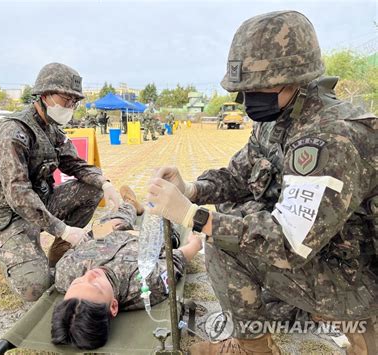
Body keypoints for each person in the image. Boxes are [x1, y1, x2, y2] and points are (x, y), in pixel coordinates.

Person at [147, 11, 377, 354]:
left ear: (297, 78)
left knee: (224, 241)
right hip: (327, 252)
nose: (250, 97)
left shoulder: (329, 137)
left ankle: (255, 348)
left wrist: (194, 217)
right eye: (244, 90)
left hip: (358, 277)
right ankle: (289, 309)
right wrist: (191, 190)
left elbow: (287, 243)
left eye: (260, 87)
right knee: (231, 211)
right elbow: (240, 175)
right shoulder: (281, 117)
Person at [0, 63, 121, 302]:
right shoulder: (12, 133)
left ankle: (59, 249)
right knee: (35, 286)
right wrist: (63, 229)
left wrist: (105, 183)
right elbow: (18, 194)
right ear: (44, 96)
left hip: (42, 204)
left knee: (91, 189)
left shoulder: (51, 129)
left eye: (75, 102)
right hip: (10, 217)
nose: (70, 107)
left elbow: (74, 163)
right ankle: (10, 258)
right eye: (66, 100)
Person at [51, 186, 203, 350]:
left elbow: (79, 246)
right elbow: (175, 260)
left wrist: (96, 233)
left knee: (117, 217)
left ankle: (131, 205)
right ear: (114, 306)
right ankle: (141, 208)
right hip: (147, 239)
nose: (89, 275)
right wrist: (194, 245)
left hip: (108, 234)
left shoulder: (64, 274)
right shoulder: (144, 284)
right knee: (161, 215)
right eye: (95, 285)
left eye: (77, 283)